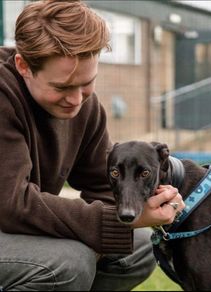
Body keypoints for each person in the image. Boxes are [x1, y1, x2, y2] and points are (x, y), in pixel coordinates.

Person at [0, 0, 185, 290]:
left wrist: (141, 204)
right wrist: (101, 228)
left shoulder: (85, 109)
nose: (76, 100)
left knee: (137, 248)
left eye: (86, 83)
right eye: (61, 87)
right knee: (67, 263)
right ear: (23, 66)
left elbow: (103, 188)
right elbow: (12, 204)